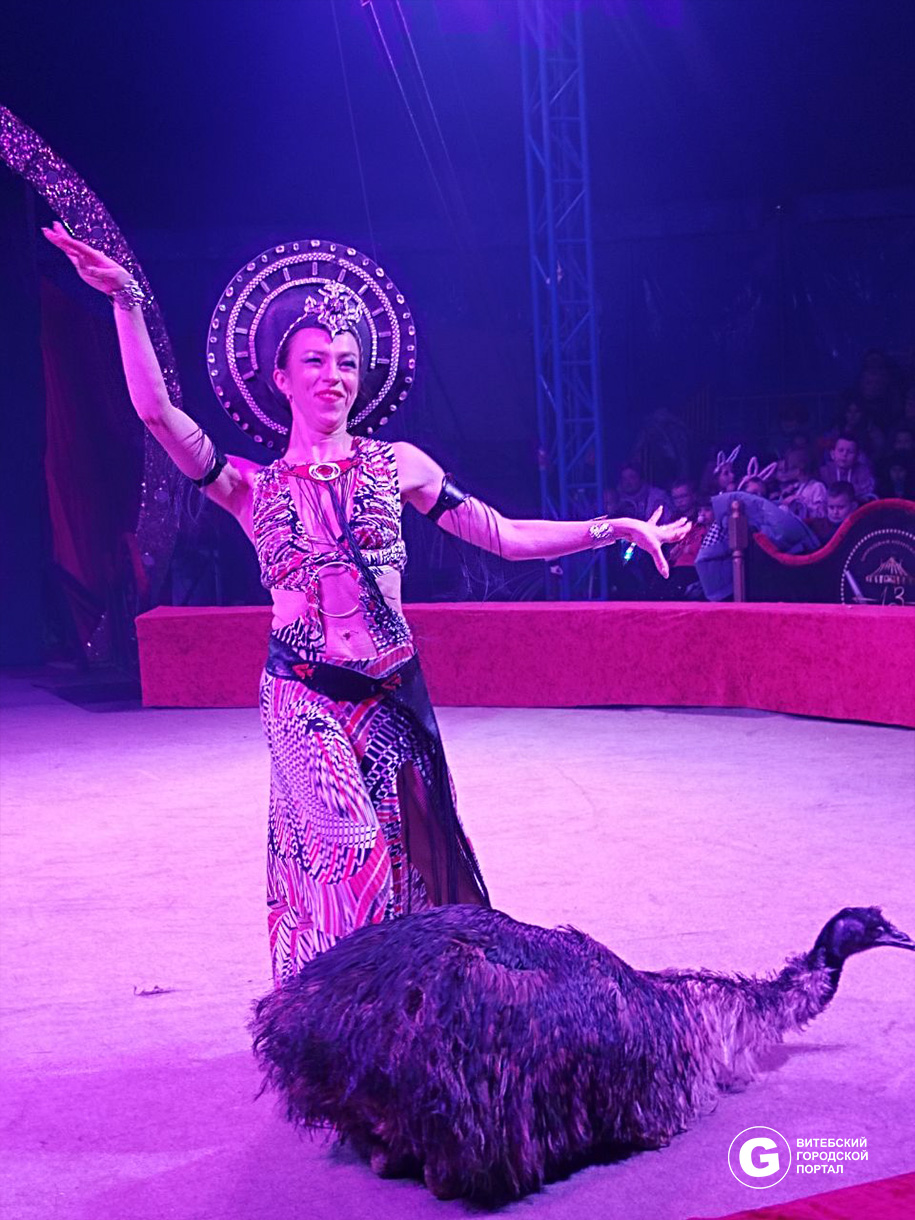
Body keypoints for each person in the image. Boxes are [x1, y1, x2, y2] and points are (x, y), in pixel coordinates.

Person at [44, 223, 689, 984]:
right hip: (304, 695)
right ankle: (339, 1004)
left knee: (408, 874)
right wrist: (125, 300)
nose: (333, 376)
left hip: (390, 697)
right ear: (280, 378)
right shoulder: (249, 486)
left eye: (347, 362)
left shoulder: (400, 466)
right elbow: (158, 414)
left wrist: (611, 528)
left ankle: (378, 1010)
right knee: (351, 854)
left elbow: (507, 535)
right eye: (314, 361)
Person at [819, 434, 875, 503]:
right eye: (841, 450)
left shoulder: (863, 471)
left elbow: (868, 492)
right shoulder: (824, 471)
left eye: (850, 452)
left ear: (857, 456)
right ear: (832, 454)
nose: (844, 454)